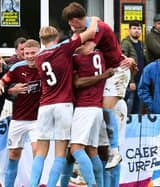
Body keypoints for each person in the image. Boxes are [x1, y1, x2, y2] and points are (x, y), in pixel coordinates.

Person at [62, 4, 131, 184]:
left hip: (117, 72)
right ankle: (90, 174)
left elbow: (86, 50)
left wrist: (62, 50)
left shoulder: (97, 27)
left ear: (76, 20)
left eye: (72, 25)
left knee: (106, 109)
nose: (73, 30)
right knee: (96, 146)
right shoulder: (89, 26)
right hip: (109, 76)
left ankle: (115, 151)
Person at [29, 17, 98, 187]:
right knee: (60, 153)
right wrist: (94, 20)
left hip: (45, 105)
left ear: (41, 40)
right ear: (57, 37)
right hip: (63, 104)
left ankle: (32, 185)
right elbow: (90, 32)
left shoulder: (38, 58)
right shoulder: (64, 48)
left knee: (41, 151)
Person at [61, 41, 114, 187]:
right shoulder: (101, 55)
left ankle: (92, 184)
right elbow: (119, 58)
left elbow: (77, 83)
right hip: (96, 108)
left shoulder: (77, 58)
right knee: (91, 150)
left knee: (75, 149)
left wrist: (103, 76)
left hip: (84, 108)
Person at [0, 39, 41, 187]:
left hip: (37, 119)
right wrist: (2, 87)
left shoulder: (45, 66)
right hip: (19, 118)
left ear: (39, 52)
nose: (30, 56)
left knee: (37, 153)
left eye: (33, 53)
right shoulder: (17, 68)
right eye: (27, 53)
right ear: (22, 54)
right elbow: (3, 82)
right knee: (13, 155)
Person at [121, 21, 146, 114]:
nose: (137, 31)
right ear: (129, 30)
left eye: (139, 29)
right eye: (134, 28)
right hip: (130, 82)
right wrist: (131, 81)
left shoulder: (141, 44)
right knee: (129, 108)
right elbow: (123, 64)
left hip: (140, 81)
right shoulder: (125, 43)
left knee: (138, 108)